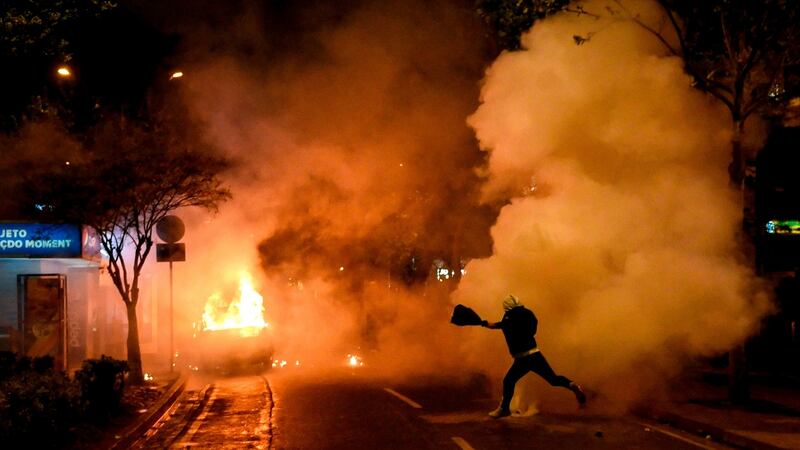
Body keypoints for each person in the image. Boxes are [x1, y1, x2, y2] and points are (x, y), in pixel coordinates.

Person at [482, 294, 586, 418]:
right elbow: (531, 327)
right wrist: (484, 323)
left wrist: (483, 323)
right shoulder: (528, 313)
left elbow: (499, 325)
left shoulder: (509, 317)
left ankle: (504, 409)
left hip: (522, 358)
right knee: (553, 379)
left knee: (509, 380)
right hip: (535, 354)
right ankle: (572, 385)